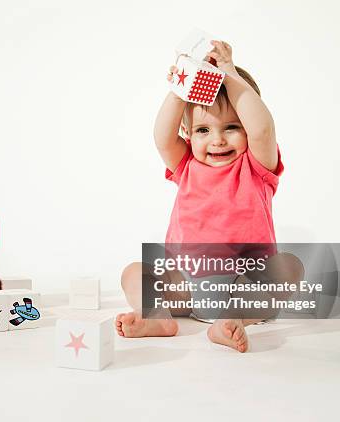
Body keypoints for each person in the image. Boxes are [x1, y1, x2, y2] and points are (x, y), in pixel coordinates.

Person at [115, 40, 303, 352]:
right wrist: (181, 88)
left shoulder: (256, 166)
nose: (217, 140)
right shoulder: (186, 163)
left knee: (289, 267)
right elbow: (162, 136)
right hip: (184, 284)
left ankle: (232, 320)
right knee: (134, 272)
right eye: (203, 130)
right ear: (188, 134)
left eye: (232, 127)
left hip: (242, 284)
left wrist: (229, 74)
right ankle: (158, 317)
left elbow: (263, 130)